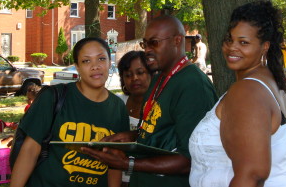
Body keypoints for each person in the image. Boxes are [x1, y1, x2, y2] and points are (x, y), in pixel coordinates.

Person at [81, 15, 218, 187]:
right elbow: (161, 133)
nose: (147, 50)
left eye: (154, 42)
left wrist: (127, 164)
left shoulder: (193, 85)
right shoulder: (159, 78)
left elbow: (190, 160)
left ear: (177, 40)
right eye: (145, 44)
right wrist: (131, 138)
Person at [189, 1, 286, 187]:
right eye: (229, 39)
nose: (232, 47)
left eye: (244, 42)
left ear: (265, 46)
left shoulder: (248, 91)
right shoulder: (266, 82)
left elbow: (252, 175)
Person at [10, 37, 129, 187]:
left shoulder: (118, 108)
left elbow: (115, 161)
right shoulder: (53, 97)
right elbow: (30, 150)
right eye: (86, 61)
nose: (95, 66)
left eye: (101, 58)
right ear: (77, 67)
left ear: (109, 63)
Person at [116, 50, 152, 186]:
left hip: (146, 178)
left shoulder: (160, 106)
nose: (134, 78)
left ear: (151, 73)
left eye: (140, 72)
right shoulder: (117, 104)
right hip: (118, 178)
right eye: (128, 75)